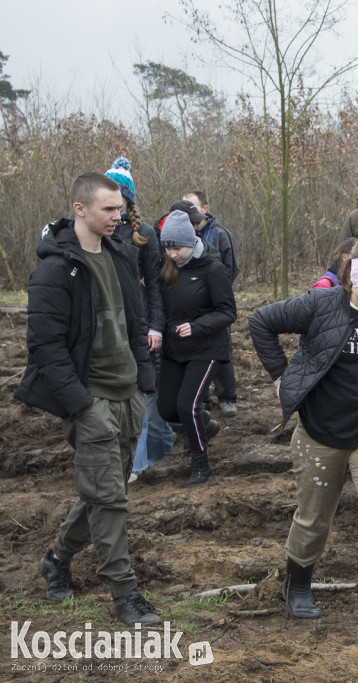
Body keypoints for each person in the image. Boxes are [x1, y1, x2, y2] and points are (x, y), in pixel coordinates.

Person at [248, 235, 358, 633]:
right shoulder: (319, 304)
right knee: (314, 519)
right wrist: (282, 377)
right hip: (320, 433)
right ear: (351, 278)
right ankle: (296, 586)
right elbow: (260, 322)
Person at [15, 173, 160, 625]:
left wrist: (144, 382)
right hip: (90, 399)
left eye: (120, 209)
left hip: (128, 393)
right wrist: (80, 405)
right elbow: (46, 348)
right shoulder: (55, 270)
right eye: (109, 210)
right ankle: (124, 593)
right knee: (112, 500)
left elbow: (136, 322)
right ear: (80, 209)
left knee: (103, 491)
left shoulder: (120, 254)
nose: (119, 217)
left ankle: (57, 558)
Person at [102, 157, 174, 483]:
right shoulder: (94, 231)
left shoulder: (143, 234)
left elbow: (155, 285)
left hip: (139, 322)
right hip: (104, 322)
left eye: (118, 192)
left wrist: (156, 326)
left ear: (128, 197)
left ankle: (137, 461)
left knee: (143, 393)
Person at [157, 211, 237, 488]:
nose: (172, 253)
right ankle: (202, 423)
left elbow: (228, 312)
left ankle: (201, 466)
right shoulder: (166, 266)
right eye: (167, 247)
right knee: (167, 409)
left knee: (186, 404)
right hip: (173, 349)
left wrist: (197, 325)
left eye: (176, 247)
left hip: (207, 348)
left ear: (191, 242)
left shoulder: (212, 268)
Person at [181, 191, 241, 418]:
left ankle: (227, 398)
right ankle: (202, 398)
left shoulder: (220, 234)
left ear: (204, 209)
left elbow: (231, 268)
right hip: (191, 308)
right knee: (197, 352)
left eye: (192, 206)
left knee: (221, 351)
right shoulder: (181, 235)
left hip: (217, 307)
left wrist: (217, 294)